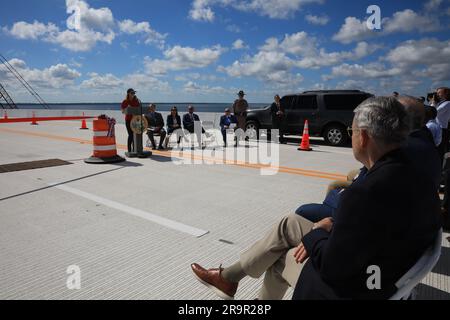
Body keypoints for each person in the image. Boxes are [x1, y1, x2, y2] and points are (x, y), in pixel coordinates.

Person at [191, 97, 441, 300]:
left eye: (351, 130)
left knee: (281, 258)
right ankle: (228, 279)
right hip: (381, 268)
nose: (351, 134)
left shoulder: (366, 192)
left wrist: (316, 234)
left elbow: (334, 268)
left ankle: (235, 286)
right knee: (289, 223)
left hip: (354, 288)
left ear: (363, 137)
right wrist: (334, 225)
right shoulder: (412, 170)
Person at [121, 88, 140, 153]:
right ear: (128, 93)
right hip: (128, 120)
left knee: (135, 134)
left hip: (135, 120)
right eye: (132, 93)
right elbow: (123, 111)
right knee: (131, 135)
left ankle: (135, 149)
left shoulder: (137, 101)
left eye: (134, 93)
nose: (133, 94)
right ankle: (129, 150)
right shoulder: (125, 101)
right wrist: (127, 109)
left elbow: (139, 109)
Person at [436, 87, 450, 160]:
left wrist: (432, 103)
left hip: (442, 128)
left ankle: (439, 168)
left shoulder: (447, 103)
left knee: (439, 150)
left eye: (439, 92)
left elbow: (435, 112)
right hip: (438, 127)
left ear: (446, 93)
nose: (437, 94)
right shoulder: (441, 103)